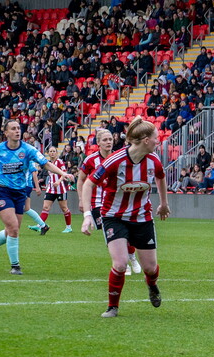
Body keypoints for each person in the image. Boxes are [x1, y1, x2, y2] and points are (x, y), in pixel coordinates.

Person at [80, 117, 171, 318]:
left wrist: (164, 204)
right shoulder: (114, 161)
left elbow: (161, 178)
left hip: (142, 217)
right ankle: (113, 306)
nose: (159, 141)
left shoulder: (153, 160)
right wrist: (87, 215)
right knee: (120, 264)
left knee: (150, 268)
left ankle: (152, 285)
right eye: (156, 138)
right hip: (114, 216)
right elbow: (88, 184)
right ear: (146, 140)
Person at [0, 120, 74, 275]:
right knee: (13, 228)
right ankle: (15, 266)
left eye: (18, 128)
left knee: (12, 229)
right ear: (6, 133)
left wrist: (63, 173)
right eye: (13, 129)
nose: (17, 131)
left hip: (20, 192)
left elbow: (45, 164)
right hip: (2, 191)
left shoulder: (28, 149)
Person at [78, 129, 142, 276]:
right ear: (98, 143)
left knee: (127, 231)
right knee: (111, 232)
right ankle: (122, 262)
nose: (108, 142)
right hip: (98, 203)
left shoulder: (119, 157)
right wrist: (82, 199)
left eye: (110, 139)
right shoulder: (90, 160)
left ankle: (131, 256)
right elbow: (81, 179)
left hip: (118, 201)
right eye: (105, 140)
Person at [39, 146, 74, 233]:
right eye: (50, 151)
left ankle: (69, 227)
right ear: (48, 153)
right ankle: (40, 225)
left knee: (64, 208)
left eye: (54, 151)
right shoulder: (48, 163)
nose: (52, 153)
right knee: (45, 207)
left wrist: (58, 181)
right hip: (51, 189)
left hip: (60, 189)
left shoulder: (59, 162)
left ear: (56, 153)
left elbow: (64, 173)